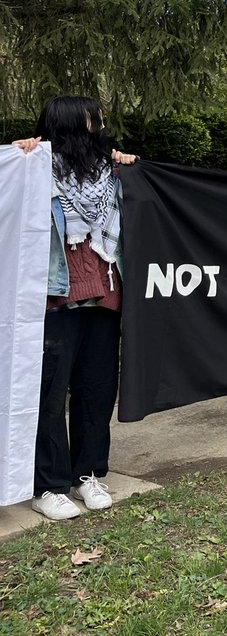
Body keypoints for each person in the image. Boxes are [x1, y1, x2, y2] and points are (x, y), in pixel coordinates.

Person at [12, 96, 137, 521]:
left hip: (106, 293)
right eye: (92, 121)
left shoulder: (113, 171)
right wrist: (18, 158)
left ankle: (87, 474)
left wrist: (134, 166)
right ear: (69, 126)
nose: (100, 127)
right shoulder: (34, 170)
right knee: (49, 393)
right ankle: (47, 484)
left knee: (97, 389)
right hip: (54, 299)